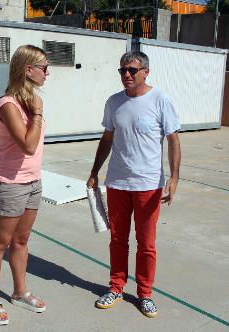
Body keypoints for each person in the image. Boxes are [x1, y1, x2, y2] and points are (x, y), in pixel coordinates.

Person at [86, 51, 181, 318]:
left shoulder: (160, 100)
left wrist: (174, 178)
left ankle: (145, 293)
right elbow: (107, 138)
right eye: (122, 71)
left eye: (131, 70)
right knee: (118, 240)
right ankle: (116, 287)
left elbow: (173, 140)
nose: (126, 75)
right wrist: (95, 171)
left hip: (148, 185)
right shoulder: (114, 102)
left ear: (145, 72)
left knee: (146, 243)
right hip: (117, 182)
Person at [0, 44, 49, 326]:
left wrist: (34, 110)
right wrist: (36, 114)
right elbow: (28, 145)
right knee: (0, 243)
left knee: (21, 241)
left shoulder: (29, 101)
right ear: (28, 70)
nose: (48, 73)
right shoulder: (8, 104)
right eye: (43, 67)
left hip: (32, 181)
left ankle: (20, 292)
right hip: (7, 184)